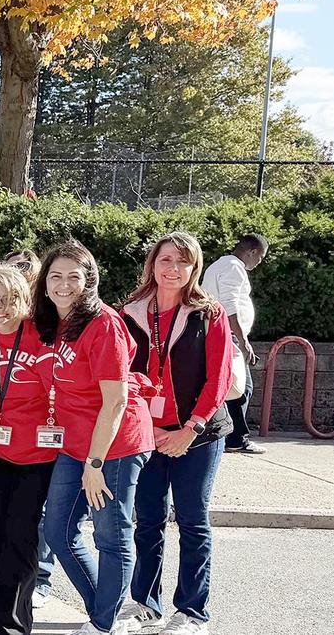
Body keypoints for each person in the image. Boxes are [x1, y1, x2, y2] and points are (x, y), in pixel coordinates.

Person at [36, 241, 154, 635]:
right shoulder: (55, 320)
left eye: (74, 276)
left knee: (111, 533)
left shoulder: (103, 324)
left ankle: (103, 624)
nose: (64, 284)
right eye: (55, 276)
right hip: (74, 442)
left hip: (114, 446)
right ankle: (107, 610)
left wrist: (95, 464)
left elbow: (116, 401)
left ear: (89, 280)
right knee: (57, 531)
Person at [123, 233, 233, 635]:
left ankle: (191, 612)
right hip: (146, 433)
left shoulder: (210, 313)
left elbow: (217, 378)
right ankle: (144, 605)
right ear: (153, 263)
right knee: (147, 520)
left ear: (194, 268)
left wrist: (192, 427)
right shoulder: (129, 313)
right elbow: (122, 375)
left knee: (192, 520)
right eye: (165, 259)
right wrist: (147, 426)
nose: (173, 269)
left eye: (182, 262)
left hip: (198, 435)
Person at [0, 265, 58, 635]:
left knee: (20, 534)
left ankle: (13, 621)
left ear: (23, 299)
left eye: (8, 300)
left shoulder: (42, 334)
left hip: (34, 454)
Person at [201, 234, 268, 455]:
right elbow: (229, 306)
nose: (259, 263)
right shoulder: (234, 268)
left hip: (219, 334)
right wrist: (243, 340)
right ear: (252, 252)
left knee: (229, 388)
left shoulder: (219, 265)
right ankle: (236, 438)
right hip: (228, 337)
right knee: (242, 388)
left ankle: (230, 436)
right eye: (260, 258)